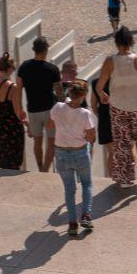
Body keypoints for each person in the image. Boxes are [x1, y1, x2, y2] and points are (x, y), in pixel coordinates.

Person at [96, 28, 137, 188]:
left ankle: (125, 178)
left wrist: (103, 95)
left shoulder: (109, 61)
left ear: (116, 42)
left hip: (118, 107)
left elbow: (99, 86)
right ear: (131, 41)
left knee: (122, 142)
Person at [46, 79, 96, 237]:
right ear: (84, 95)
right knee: (87, 183)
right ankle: (86, 215)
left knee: (69, 189)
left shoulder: (58, 107)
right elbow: (91, 137)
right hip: (79, 152)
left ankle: (72, 223)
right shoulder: (85, 113)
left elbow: (50, 125)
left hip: (61, 153)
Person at [16, 37, 61, 173]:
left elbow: (18, 89)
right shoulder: (52, 69)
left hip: (33, 110)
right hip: (49, 110)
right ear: (46, 49)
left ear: (34, 50)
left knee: (37, 142)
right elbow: (59, 92)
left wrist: (20, 109)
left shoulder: (24, 67)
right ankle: (45, 170)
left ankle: (40, 167)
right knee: (52, 142)